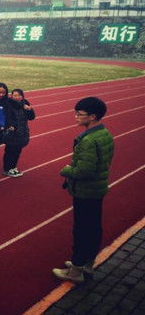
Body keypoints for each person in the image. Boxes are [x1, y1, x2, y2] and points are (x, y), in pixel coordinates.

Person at [52, 97, 114, 284]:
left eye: (79, 114)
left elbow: (84, 171)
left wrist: (66, 170)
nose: (76, 117)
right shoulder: (105, 134)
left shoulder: (88, 140)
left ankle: (76, 270)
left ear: (92, 116)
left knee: (81, 230)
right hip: (97, 189)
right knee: (93, 227)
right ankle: (87, 263)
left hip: (85, 191)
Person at [2, 89, 35, 177]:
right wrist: (9, 126)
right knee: (10, 151)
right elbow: (7, 117)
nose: (16, 97)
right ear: (11, 96)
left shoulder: (25, 104)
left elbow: (32, 117)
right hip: (12, 132)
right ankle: (7, 169)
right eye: (14, 95)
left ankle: (13, 167)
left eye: (19, 95)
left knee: (17, 151)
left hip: (22, 132)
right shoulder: (8, 105)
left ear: (22, 96)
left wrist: (29, 109)